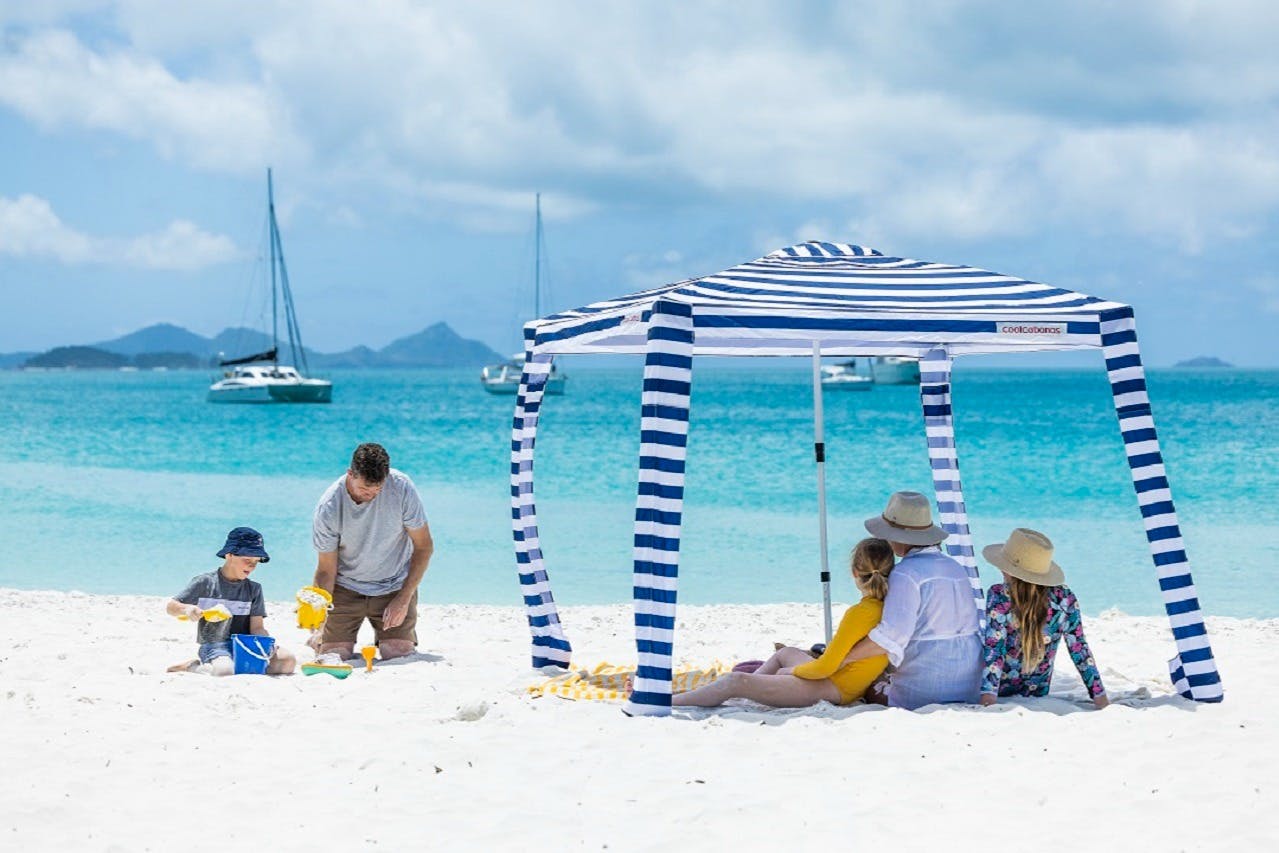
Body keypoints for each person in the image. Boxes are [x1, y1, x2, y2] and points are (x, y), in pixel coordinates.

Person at [673, 538, 896, 708]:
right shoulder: (890, 605)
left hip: (835, 687)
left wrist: (792, 672)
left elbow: (825, 667)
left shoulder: (859, 613)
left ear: (854, 572)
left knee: (735, 680)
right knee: (784, 652)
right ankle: (750, 691)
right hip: (843, 681)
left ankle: (673, 702)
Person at [833, 491, 984, 709]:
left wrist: (844, 658)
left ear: (898, 536)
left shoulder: (905, 573)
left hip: (925, 690)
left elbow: (890, 636)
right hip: (970, 686)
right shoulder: (955, 567)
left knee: (867, 684)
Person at [310, 442, 434, 660]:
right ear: (350, 474)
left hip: (393, 585)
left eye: (377, 490)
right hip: (345, 587)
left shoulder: (401, 488)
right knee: (336, 655)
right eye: (364, 489)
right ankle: (320, 639)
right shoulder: (329, 506)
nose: (371, 495)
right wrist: (318, 615)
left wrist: (403, 599)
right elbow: (326, 570)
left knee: (397, 653)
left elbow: (424, 547)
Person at [978, 528, 1109, 709]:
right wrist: (1101, 698)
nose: (1001, 569)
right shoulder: (1064, 598)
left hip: (1000, 689)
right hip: (1038, 689)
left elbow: (995, 649)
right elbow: (1079, 650)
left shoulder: (998, 595)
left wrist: (988, 699)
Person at [166, 526, 296, 675]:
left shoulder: (254, 589)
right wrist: (188, 609)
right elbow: (171, 607)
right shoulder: (205, 583)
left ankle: (237, 666)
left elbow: (257, 628)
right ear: (229, 555)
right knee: (224, 670)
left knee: (288, 661)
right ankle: (190, 666)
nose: (252, 565)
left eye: (256, 561)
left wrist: (266, 643)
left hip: (246, 645)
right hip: (215, 646)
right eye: (247, 559)